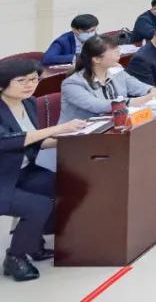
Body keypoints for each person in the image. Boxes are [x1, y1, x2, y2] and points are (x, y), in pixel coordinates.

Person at [0, 57, 87, 282]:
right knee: (38, 205)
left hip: (22, 171)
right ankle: (15, 257)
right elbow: (7, 141)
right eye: (21, 80)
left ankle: (33, 240)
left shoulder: (29, 103)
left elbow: (34, 142)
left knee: (71, 186)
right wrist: (59, 128)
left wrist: (71, 138)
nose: (29, 85)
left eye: (34, 79)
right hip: (3, 178)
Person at [59, 36, 156, 124]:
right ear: (97, 59)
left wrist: (152, 91)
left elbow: (137, 86)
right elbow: (98, 105)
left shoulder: (116, 72)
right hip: (78, 136)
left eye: (118, 50)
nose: (119, 54)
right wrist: (141, 100)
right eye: (115, 52)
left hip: (114, 126)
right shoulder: (72, 83)